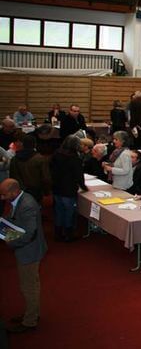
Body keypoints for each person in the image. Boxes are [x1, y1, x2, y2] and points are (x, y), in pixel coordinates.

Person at [0, 178, 47, 334]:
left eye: (4, 194)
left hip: (29, 251)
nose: (2, 198)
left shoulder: (27, 205)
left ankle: (30, 321)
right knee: (31, 284)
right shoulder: (21, 199)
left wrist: (9, 242)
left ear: (14, 191)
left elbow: (29, 234)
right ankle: (31, 313)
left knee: (29, 287)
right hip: (28, 249)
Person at [50, 135, 88, 242]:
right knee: (69, 212)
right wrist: (83, 187)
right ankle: (68, 234)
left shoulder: (56, 154)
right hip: (69, 189)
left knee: (59, 210)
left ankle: (58, 232)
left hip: (57, 187)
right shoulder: (75, 158)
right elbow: (79, 175)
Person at [9, 135, 50, 204]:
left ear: (23, 144)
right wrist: (46, 192)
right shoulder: (40, 159)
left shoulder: (15, 159)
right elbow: (45, 178)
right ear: (35, 144)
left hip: (20, 189)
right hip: (36, 189)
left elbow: (12, 175)